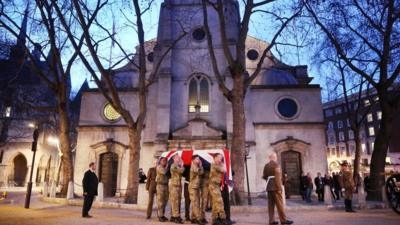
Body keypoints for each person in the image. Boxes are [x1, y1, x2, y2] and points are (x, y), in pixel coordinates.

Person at [262, 153, 293, 225]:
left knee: (271, 205)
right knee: (280, 205)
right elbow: (278, 177)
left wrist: (269, 181)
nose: (276, 158)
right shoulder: (276, 165)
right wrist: (280, 187)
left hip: (269, 187)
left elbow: (264, 176)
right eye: (276, 156)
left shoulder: (266, 165)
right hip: (276, 187)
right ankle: (283, 220)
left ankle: (271, 221)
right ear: (274, 157)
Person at [209, 153, 227, 225]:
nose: (220, 159)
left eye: (221, 158)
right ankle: (223, 218)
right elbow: (224, 170)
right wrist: (223, 164)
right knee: (219, 201)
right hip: (213, 186)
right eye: (219, 157)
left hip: (216, 186)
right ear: (215, 158)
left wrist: (222, 164)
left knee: (215, 203)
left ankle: (214, 219)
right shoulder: (214, 164)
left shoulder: (218, 164)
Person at [189, 155, 205, 225]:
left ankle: (193, 218)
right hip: (193, 187)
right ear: (193, 160)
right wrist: (201, 165)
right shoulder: (193, 166)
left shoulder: (197, 166)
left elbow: (202, 172)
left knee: (195, 202)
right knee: (195, 203)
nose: (199, 160)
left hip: (196, 186)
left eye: (199, 159)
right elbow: (199, 171)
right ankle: (198, 219)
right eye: (197, 159)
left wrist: (200, 166)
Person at [169, 154, 185, 224]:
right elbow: (181, 171)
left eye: (179, 158)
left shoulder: (177, 166)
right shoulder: (173, 166)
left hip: (178, 185)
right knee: (175, 201)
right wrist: (182, 165)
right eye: (177, 158)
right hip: (174, 186)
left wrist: (181, 165)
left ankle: (174, 216)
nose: (179, 159)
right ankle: (176, 216)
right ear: (174, 159)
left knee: (177, 201)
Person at [156, 157, 169, 222]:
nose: (164, 162)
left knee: (165, 201)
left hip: (166, 185)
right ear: (160, 161)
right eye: (163, 161)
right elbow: (164, 172)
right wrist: (167, 166)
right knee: (160, 201)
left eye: (165, 161)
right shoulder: (159, 167)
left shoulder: (166, 167)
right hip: (160, 185)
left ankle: (162, 215)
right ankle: (160, 215)